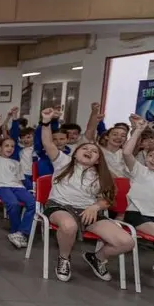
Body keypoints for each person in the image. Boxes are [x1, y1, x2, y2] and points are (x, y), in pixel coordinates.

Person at [39, 107, 135, 283]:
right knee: (68, 226)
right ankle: (64, 258)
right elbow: (47, 143)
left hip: (88, 211)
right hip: (59, 206)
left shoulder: (102, 175)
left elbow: (107, 199)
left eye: (94, 151)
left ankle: (97, 258)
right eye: (85, 148)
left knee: (127, 242)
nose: (90, 151)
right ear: (75, 153)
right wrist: (46, 122)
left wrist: (95, 206)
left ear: (98, 160)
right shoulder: (63, 162)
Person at [0, 115, 36, 248]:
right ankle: (15, 230)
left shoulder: (16, 162)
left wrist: (32, 190)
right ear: (0, 148)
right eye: (6, 145)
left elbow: (22, 180)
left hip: (18, 187)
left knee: (32, 203)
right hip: (1, 187)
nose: (10, 148)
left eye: (12, 146)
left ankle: (21, 232)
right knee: (13, 203)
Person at [122, 114, 154, 238]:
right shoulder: (140, 170)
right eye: (151, 156)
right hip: (137, 215)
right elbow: (126, 152)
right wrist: (138, 130)